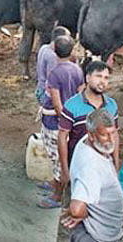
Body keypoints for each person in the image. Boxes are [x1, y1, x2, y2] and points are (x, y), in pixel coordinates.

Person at [61, 108, 123, 242]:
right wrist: (85, 215)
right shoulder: (92, 167)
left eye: (113, 133)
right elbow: (76, 209)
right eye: (104, 135)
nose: (110, 140)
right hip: (99, 234)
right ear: (91, 135)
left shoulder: (87, 142)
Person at [38, 35, 84, 209]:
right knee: (59, 158)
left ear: (54, 50)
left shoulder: (55, 74)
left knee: (57, 158)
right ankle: (55, 185)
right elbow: (81, 96)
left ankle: (57, 196)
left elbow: (56, 103)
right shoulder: (77, 70)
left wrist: (64, 120)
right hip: (70, 120)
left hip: (55, 122)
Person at [59, 61, 119, 187]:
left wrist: (116, 165)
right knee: (75, 203)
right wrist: (65, 170)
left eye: (106, 78)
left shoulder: (112, 106)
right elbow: (62, 137)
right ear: (87, 78)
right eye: (98, 76)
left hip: (103, 165)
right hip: (78, 165)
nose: (103, 81)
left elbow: (115, 136)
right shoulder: (72, 106)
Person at [35, 26, 71, 93]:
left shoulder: (44, 47)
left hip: (39, 87)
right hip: (45, 92)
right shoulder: (52, 56)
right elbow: (52, 80)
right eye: (67, 38)